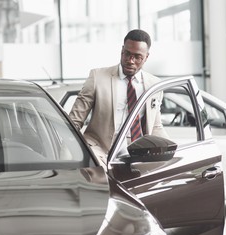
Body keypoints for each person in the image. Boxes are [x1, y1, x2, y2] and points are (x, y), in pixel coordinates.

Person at [69, 29, 168, 164]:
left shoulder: (154, 85)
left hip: (138, 152)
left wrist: (172, 152)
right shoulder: (97, 77)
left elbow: (155, 126)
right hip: (100, 149)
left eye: (137, 57)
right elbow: (75, 120)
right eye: (127, 54)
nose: (130, 61)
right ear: (122, 50)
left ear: (146, 57)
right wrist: (67, 148)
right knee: (103, 181)